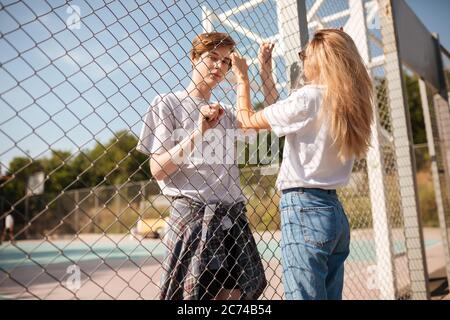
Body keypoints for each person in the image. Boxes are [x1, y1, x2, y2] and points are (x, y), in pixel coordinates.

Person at [231, 28, 374, 300]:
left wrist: (242, 79)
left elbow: (247, 120)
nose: (302, 61)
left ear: (318, 60)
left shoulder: (309, 98)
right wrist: (265, 69)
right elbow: (279, 113)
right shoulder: (348, 101)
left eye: (303, 55)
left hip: (305, 208)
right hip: (334, 214)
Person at [136, 32, 267, 300]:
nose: (219, 67)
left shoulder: (227, 111)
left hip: (231, 219)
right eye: (213, 58)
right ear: (194, 58)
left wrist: (250, 76)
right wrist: (199, 132)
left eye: (226, 62)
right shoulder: (167, 103)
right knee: (193, 298)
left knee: (236, 297)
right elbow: (157, 169)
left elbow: (259, 127)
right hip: (194, 218)